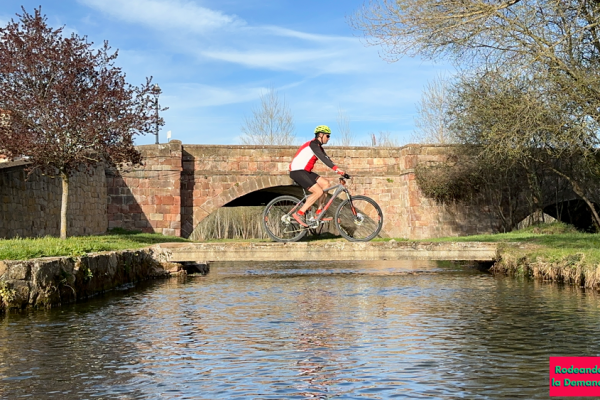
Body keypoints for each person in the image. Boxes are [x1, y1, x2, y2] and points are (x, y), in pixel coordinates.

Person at [289, 125, 347, 227]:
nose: (329, 138)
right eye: (327, 136)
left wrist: (341, 171)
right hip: (297, 171)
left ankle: (319, 212)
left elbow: (327, 159)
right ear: (320, 135)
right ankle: (299, 213)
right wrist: (337, 169)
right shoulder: (313, 144)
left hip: (305, 171)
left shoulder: (318, 146)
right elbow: (323, 159)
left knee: (326, 184)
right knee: (318, 191)